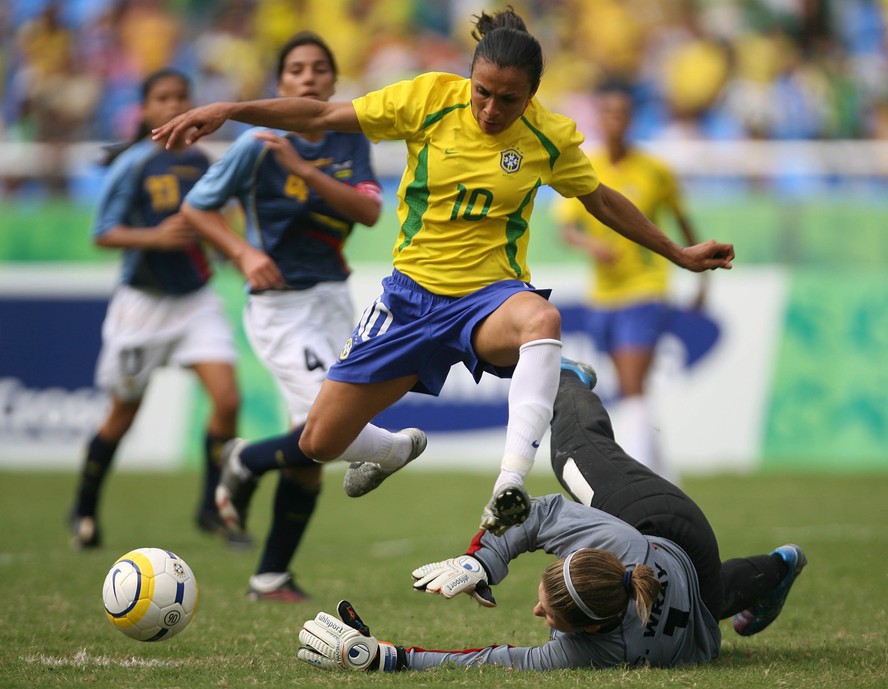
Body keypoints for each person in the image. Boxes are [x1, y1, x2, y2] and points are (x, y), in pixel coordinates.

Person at [153, 7, 734, 537]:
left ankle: (510, 481)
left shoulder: (548, 137)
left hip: (488, 299)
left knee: (542, 315)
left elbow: (601, 199)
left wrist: (677, 254)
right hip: (409, 301)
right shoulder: (429, 99)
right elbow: (322, 113)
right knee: (318, 440)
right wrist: (228, 110)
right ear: (470, 77)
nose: (490, 110)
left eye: (508, 100)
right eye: (483, 93)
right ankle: (397, 448)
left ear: (532, 94)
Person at [293, 358, 808, 672]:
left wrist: (388, 657)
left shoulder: (605, 642)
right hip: (665, 525)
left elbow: (495, 660)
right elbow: (537, 514)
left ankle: (565, 380)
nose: (538, 614)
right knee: (576, 463)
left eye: (549, 613)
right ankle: (572, 386)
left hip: (688, 584)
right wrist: (482, 560)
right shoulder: (620, 551)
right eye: (548, 607)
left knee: (571, 456)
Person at [180, 32, 383, 601]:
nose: (309, 78)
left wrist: (306, 169)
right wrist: (243, 252)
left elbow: (367, 210)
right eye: (296, 70)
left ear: (334, 82)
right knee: (332, 431)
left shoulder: (350, 139)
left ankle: (269, 576)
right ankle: (243, 459)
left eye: (320, 68)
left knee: (314, 451)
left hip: (334, 300)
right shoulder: (258, 145)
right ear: (280, 84)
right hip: (281, 307)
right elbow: (196, 208)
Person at [69, 68, 241, 549]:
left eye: (182, 97)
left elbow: (219, 222)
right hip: (142, 303)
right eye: (163, 98)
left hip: (195, 299)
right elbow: (103, 233)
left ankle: (212, 507)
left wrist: (238, 256)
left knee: (227, 400)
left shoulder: (206, 162)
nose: (173, 105)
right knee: (122, 414)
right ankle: (84, 507)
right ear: (145, 110)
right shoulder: (135, 164)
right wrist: (155, 237)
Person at [555, 85, 709, 482]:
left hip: (646, 289)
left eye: (622, 113)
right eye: (608, 113)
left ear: (632, 119)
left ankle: (635, 482)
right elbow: (567, 228)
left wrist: (701, 273)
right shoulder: (586, 167)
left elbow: (683, 220)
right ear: (600, 119)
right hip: (603, 295)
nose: (615, 121)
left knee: (631, 384)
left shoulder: (655, 171)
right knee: (632, 388)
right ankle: (667, 479)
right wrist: (593, 246)